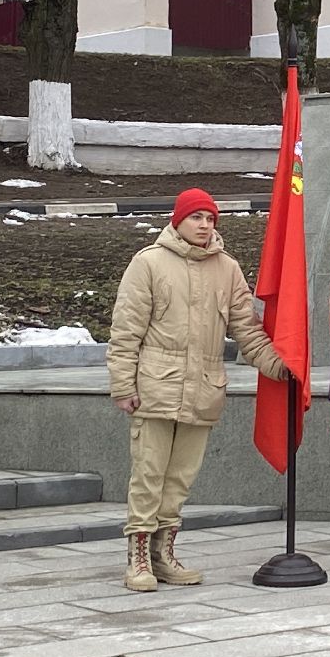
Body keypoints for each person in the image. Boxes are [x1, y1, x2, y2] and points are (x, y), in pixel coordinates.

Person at [107, 188, 288, 593]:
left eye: (210, 218)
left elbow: (247, 330)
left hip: (204, 390)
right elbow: (125, 331)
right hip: (155, 387)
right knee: (149, 475)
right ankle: (137, 557)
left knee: (180, 479)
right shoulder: (148, 263)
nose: (205, 225)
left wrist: (278, 365)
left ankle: (164, 554)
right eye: (197, 218)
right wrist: (123, 385)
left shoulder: (228, 269)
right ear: (178, 220)